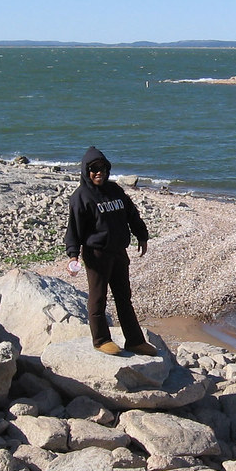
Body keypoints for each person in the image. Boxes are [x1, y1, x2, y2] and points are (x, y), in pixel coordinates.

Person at [64, 147, 158, 356]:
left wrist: (141, 235)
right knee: (98, 298)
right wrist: (73, 255)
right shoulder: (81, 197)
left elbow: (131, 214)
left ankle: (134, 341)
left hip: (118, 252)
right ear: (86, 170)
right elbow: (74, 229)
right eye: (94, 169)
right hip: (97, 255)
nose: (99, 172)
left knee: (124, 297)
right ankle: (101, 340)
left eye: (103, 168)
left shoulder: (115, 190)